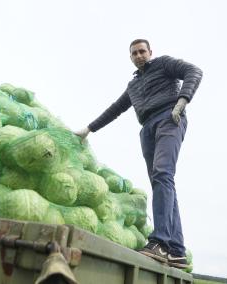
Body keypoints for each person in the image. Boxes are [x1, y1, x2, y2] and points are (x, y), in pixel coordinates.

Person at [75, 39, 202, 269]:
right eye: (134, 53)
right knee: (161, 182)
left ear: (150, 52)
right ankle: (177, 251)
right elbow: (115, 109)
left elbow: (193, 71)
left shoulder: (164, 64)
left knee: (163, 174)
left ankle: (160, 243)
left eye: (142, 51)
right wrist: (89, 129)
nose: (139, 55)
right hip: (147, 128)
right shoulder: (133, 86)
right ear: (130, 57)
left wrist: (182, 101)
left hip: (169, 118)